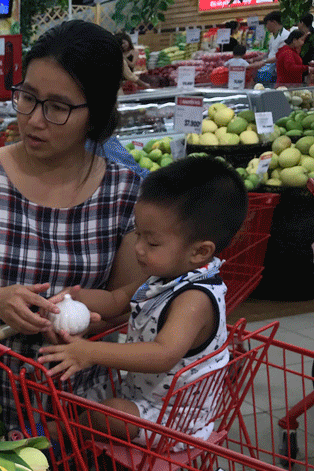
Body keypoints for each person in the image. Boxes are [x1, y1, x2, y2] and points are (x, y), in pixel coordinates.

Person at [0, 21, 142, 428]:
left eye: (57, 107)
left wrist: (83, 323)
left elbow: (125, 301)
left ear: (96, 113)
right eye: (27, 97)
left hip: (72, 406)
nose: (35, 119)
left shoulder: (124, 193)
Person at [36, 156, 248, 447]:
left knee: (109, 415)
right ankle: (66, 435)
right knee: (82, 395)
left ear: (200, 252)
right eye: (138, 235)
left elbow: (163, 354)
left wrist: (90, 351)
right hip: (141, 394)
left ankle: (56, 435)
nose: (138, 249)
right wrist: (77, 296)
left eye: (152, 242)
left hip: (176, 417)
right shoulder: (164, 276)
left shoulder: (195, 298)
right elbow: (116, 299)